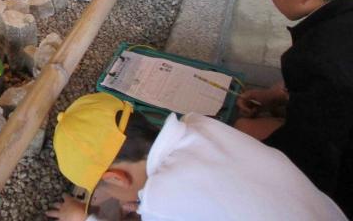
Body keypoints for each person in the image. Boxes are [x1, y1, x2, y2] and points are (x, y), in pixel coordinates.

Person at [45, 92, 345, 221]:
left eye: (106, 191)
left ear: (116, 178)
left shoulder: (163, 202)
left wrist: (84, 217)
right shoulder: (198, 125)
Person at [235, 0, 353, 217]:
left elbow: (312, 154)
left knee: (243, 130)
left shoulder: (316, 57)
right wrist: (280, 92)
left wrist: (251, 130)